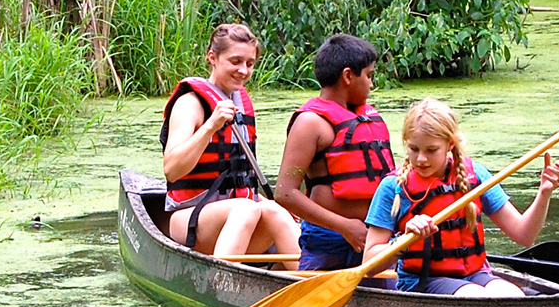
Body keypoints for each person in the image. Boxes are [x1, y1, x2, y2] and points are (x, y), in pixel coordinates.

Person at [363, 97, 559, 297]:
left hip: (475, 274)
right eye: (414, 149)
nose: (421, 159)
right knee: (477, 297)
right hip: (423, 280)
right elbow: (369, 264)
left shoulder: (476, 176)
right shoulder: (394, 188)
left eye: (431, 150)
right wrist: (403, 242)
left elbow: (524, 235)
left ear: (450, 145)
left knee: (512, 295)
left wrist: (544, 193)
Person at [160, 23, 300, 267]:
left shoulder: (240, 103)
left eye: (250, 63)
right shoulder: (190, 103)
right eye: (235, 61)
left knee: (277, 212)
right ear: (212, 57)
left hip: (239, 219)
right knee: (246, 209)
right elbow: (172, 169)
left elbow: (240, 182)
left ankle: (314, 287)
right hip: (190, 219)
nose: (243, 70)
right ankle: (221, 286)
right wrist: (210, 126)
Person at [275, 34, 395, 270]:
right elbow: (285, 193)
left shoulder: (365, 117)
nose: (371, 84)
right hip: (328, 240)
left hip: (375, 237)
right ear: (348, 76)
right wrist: (345, 227)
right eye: (369, 76)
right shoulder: (311, 123)